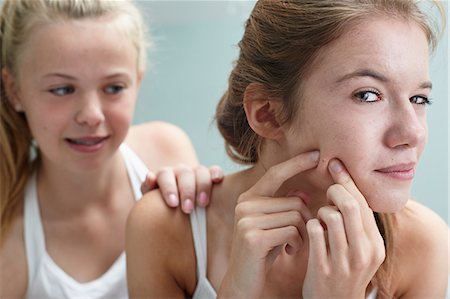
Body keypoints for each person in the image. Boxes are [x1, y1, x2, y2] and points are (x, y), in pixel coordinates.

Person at [126, 0, 449, 298]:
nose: (413, 132)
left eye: (418, 99)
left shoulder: (422, 244)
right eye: (367, 95)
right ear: (268, 113)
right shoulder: (168, 229)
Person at [0, 0, 224, 298]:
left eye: (114, 87)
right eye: (62, 89)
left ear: (137, 82)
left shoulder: (166, 151)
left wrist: (206, 208)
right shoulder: (9, 237)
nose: (92, 115)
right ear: (14, 90)